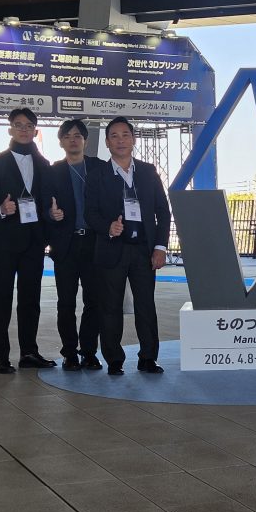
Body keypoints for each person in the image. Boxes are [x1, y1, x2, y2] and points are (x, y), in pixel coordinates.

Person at [84, 117, 171, 375]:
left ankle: (148, 358)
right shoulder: (97, 175)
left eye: (125, 135)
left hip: (144, 250)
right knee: (110, 306)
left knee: (146, 305)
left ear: (133, 139)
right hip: (112, 249)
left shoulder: (148, 171)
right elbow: (90, 213)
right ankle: (114, 359)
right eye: (114, 136)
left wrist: (160, 247)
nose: (120, 140)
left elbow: (162, 212)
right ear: (107, 142)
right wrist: (107, 227)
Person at [0, 108, 56, 374]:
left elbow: (47, 202)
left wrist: (51, 219)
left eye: (29, 126)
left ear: (35, 131)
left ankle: (29, 352)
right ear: (10, 129)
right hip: (5, 241)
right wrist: (1, 209)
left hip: (34, 242)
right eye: (19, 125)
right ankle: (0, 356)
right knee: (1, 298)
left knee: (31, 300)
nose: (24, 130)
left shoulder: (45, 164)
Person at [44, 119, 105, 371]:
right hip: (66, 245)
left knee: (95, 301)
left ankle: (89, 352)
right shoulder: (52, 171)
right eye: (67, 136)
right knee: (66, 302)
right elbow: (43, 206)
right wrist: (51, 214)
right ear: (61, 142)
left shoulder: (99, 167)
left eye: (78, 135)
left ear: (85, 141)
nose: (73, 139)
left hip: (94, 242)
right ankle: (69, 352)